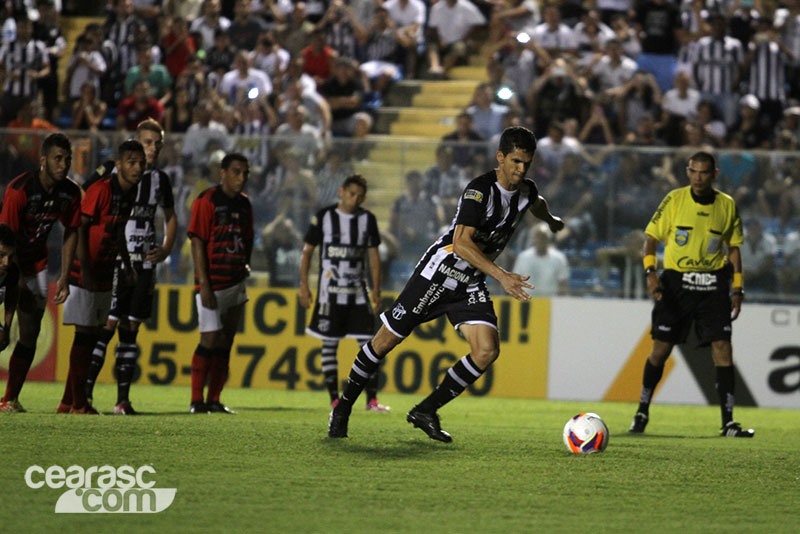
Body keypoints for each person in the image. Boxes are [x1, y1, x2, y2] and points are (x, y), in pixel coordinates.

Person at [328, 126, 564, 442]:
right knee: (384, 342)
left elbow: (536, 201)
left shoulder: (526, 190)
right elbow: (461, 243)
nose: (521, 169)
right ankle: (343, 409)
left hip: (470, 281)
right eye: (516, 161)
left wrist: (551, 220)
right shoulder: (479, 191)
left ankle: (426, 410)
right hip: (439, 273)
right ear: (500, 157)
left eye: (527, 163)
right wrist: (501, 275)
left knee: (486, 350)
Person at [629, 150, 754, 438]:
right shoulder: (674, 200)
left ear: (714, 174)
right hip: (677, 284)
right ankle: (642, 411)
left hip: (713, 283)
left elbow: (733, 249)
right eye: (693, 171)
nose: (698, 178)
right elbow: (651, 239)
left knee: (723, 348)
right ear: (687, 172)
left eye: (703, 172)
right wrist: (651, 273)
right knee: (661, 350)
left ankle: (728, 422)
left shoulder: (727, 205)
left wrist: (737, 288)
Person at [83, 119, 177, 414]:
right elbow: (84, 194)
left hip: (144, 263)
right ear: (136, 141)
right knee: (107, 325)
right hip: (116, 260)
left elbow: (171, 216)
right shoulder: (112, 172)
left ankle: (122, 400)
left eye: (157, 144)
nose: (153, 148)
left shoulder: (160, 180)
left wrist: (165, 248)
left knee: (131, 327)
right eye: (148, 142)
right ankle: (84, 395)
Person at [59, 139, 146, 414]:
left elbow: (119, 230)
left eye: (141, 163)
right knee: (84, 335)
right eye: (131, 162)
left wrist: (127, 265)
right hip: (85, 272)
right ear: (118, 164)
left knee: (92, 334)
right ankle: (78, 403)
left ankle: (67, 402)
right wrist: (84, 267)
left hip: (106, 272)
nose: (138, 167)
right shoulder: (101, 190)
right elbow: (80, 227)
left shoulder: (131, 193)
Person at [0, 133, 81, 413]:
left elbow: (72, 230)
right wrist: (6, 319)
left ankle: (10, 398)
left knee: (30, 332)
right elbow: (5, 245)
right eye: (58, 159)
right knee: (8, 329)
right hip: (6, 262)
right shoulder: (20, 191)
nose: (64, 165)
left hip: (35, 264)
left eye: (67, 159)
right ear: (43, 160)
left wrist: (65, 276)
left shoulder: (69, 193)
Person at [299, 174, 389, 411]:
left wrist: (376, 289)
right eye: (351, 194)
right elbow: (307, 252)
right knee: (329, 344)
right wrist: (304, 286)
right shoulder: (324, 217)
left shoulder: (367, 219)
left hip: (358, 294)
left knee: (370, 346)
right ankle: (334, 399)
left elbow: (373, 256)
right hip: (329, 295)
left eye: (360, 196)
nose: (355, 199)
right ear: (341, 191)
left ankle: (372, 400)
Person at [187, 152, 253, 414]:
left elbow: (247, 238)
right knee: (209, 338)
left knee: (226, 341)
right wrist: (203, 283)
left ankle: (214, 399)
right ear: (222, 173)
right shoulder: (207, 200)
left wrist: (245, 264)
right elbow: (197, 241)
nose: (241, 177)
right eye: (236, 172)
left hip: (235, 281)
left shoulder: (245, 204)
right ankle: (196, 400)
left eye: (245, 173)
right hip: (212, 283)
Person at [511, 222, 569, 296]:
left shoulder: (559, 258)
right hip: (527, 300)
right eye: (538, 237)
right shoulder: (523, 257)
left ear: (549, 238)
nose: (541, 240)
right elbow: (516, 280)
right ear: (533, 239)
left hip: (550, 300)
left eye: (544, 237)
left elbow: (563, 282)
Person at [0, 224, 20, 356]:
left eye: (10, 256)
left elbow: (11, 298)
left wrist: (7, 328)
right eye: (1, 255)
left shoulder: (11, 272)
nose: (6, 262)